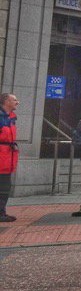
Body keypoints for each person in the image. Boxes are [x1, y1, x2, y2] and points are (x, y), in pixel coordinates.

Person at [0, 93, 19, 222]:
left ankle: (2, 212)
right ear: (7, 101)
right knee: (3, 186)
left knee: (5, 186)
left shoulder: (11, 117)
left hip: (7, 156)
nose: (18, 102)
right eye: (14, 100)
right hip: (3, 155)